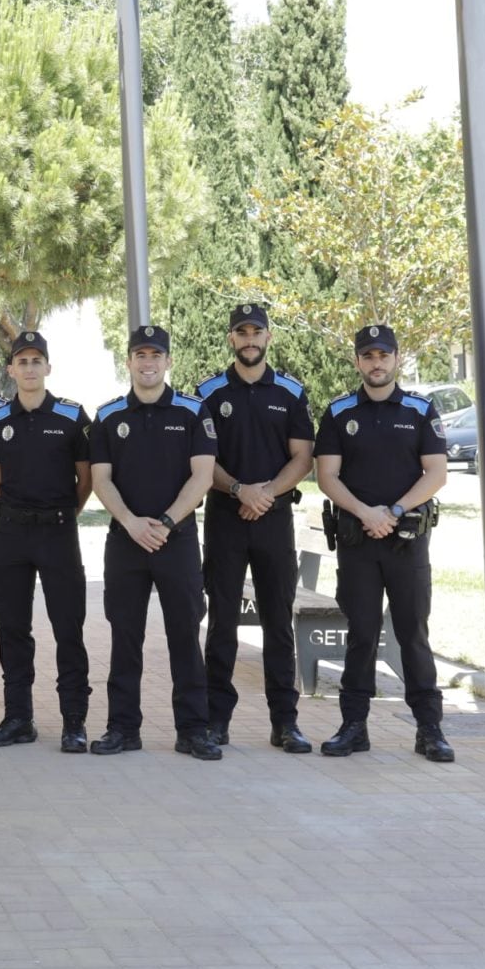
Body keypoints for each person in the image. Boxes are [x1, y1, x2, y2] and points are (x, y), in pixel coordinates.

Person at [313, 324, 453, 762]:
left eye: (383, 356)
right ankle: (353, 726)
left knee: (413, 633)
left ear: (396, 359)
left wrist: (391, 512)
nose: (376, 363)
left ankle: (429, 728)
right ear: (357, 361)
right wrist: (365, 513)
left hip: (406, 542)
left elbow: (436, 472)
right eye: (368, 356)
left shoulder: (419, 409)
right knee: (361, 635)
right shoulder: (338, 413)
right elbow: (326, 476)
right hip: (358, 541)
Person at [87, 325, 222, 760]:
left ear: (168, 362)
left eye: (155, 355)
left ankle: (193, 730)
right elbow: (99, 479)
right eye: (139, 355)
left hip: (177, 540)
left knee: (185, 635)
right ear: (128, 362)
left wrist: (164, 522)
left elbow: (202, 475)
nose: (148, 363)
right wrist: (130, 522)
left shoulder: (193, 411)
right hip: (126, 541)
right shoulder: (108, 416)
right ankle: (122, 729)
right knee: (125, 636)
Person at [196, 304, 315, 753]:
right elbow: (203, 461)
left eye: (256, 331)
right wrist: (240, 490)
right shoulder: (207, 392)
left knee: (277, 624)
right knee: (222, 623)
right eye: (241, 332)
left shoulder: (290, 392)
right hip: (226, 518)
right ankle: (216, 721)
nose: (249, 339)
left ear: (268, 337)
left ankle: (285, 722)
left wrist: (263, 494)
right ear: (231, 339)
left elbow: (302, 457)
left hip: (274, 520)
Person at [0, 330, 93, 752]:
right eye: (21, 361)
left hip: (58, 531)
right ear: (10, 369)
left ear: (48, 367)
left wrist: (66, 513)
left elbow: (86, 478)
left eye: (36, 361)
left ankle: (74, 722)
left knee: (68, 627)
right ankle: (18, 718)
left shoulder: (71, 416)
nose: (29, 368)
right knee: (12, 628)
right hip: (11, 533)